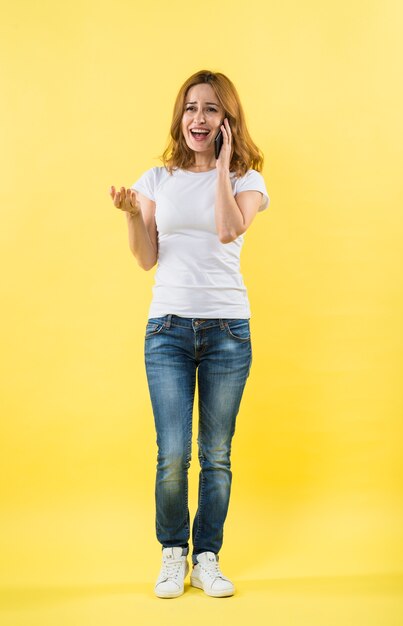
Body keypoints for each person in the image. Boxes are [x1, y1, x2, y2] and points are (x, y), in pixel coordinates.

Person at [109, 70, 270, 599]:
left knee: (217, 453)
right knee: (173, 453)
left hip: (227, 329)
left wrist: (221, 166)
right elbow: (146, 257)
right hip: (168, 329)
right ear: (180, 117)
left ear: (227, 121)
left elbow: (228, 228)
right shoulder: (157, 179)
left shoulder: (247, 181)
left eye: (211, 110)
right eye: (190, 108)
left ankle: (208, 556)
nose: (198, 118)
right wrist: (134, 214)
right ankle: (174, 551)